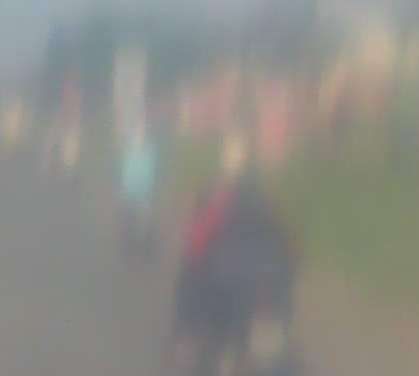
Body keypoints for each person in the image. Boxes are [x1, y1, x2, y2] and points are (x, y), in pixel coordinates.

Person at [172, 134, 297, 358]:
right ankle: (195, 339)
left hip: (230, 275)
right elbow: (282, 234)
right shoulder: (264, 195)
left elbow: (199, 237)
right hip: (259, 273)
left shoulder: (220, 195)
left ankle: (189, 339)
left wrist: (194, 249)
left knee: (192, 281)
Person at [117, 126, 157, 237]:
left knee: (143, 215)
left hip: (142, 190)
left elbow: (150, 172)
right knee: (127, 214)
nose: (139, 137)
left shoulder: (149, 153)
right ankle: (127, 233)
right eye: (137, 134)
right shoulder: (129, 151)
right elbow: (125, 170)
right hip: (130, 189)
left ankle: (141, 234)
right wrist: (124, 187)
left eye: (141, 134)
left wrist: (148, 188)